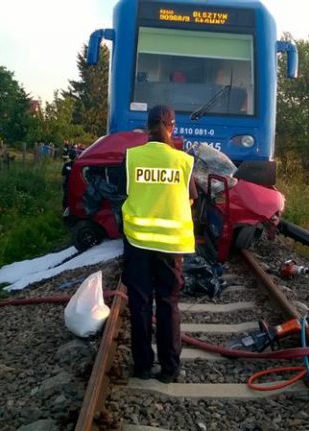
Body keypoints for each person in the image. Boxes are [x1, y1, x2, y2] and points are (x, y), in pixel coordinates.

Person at [121, 105, 196, 383]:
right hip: (171, 246)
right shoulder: (182, 161)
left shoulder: (132, 158)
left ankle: (142, 366)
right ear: (172, 127)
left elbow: (123, 192)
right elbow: (191, 199)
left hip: (138, 242)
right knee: (168, 303)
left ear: (147, 127)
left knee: (140, 303)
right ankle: (169, 369)